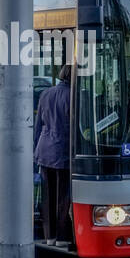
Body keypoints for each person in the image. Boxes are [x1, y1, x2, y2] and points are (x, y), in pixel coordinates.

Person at [34, 64, 73, 245]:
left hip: (44, 150)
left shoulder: (46, 93)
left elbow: (38, 125)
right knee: (63, 196)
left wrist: (36, 150)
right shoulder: (73, 95)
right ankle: (63, 236)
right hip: (63, 151)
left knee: (47, 195)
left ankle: (49, 236)